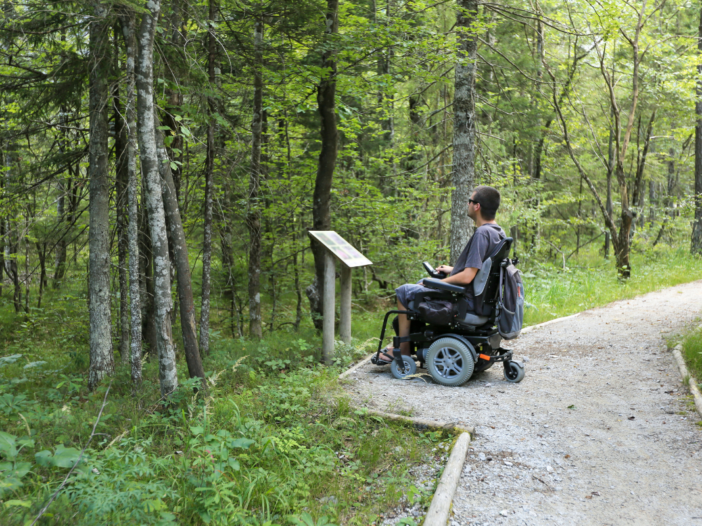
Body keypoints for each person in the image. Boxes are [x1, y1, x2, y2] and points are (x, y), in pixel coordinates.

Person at [377, 185, 505, 364]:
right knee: (422, 283)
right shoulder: (498, 232)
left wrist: (433, 283)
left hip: (465, 302)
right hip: (481, 301)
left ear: (477, 206)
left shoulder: (482, 234)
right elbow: (483, 271)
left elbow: (468, 276)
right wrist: (453, 270)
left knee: (404, 291)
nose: (467, 204)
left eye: (470, 201)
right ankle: (410, 340)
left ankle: (404, 349)